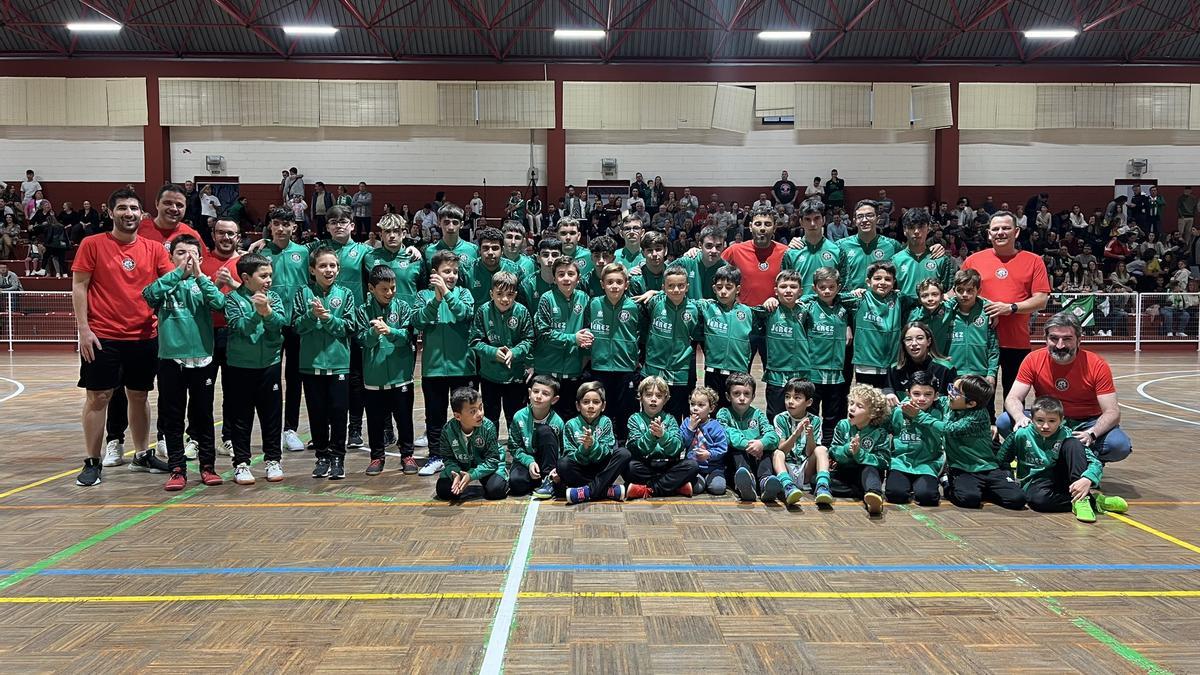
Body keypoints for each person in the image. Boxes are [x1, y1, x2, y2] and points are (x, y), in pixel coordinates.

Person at [73, 188, 174, 487]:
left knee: (139, 394)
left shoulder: (154, 248)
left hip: (144, 334)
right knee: (98, 397)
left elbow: (170, 282)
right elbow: (80, 286)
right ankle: (92, 461)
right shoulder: (92, 244)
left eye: (133, 208)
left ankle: (141, 454)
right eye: (122, 208)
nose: (128, 213)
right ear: (110, 212)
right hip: (103, 335)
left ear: (141, 214)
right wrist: (84, 330)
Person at [998, 312, 1131, 464]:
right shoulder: (1032, 360)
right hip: (1049, 419)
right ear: (1045, 339)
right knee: (1004, 421)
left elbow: (1112, 412)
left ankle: (1084, 461)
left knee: (1119, 445)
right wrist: (1020, 418)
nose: (1060, 345)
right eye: (1054, 338)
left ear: (1079, 340)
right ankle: (1040, 458)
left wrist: (1092, 434)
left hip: (1087, 423)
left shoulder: (1097, 365)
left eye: (1067, 339)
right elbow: (1013, 398)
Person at [962, 211, 1050, 399]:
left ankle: (1013, 427)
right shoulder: (973, 260)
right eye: (995, 229)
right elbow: (959, 293)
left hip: (1016, 341)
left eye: (1006, 228)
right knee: (980, 398)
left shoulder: (1034, 261)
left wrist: (1011, 308)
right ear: (988, 234)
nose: (1000, 232)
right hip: (980, 341)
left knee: (1014, 397)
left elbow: (1041, 299)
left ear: (1016, 232)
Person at [998, 396, 1128, 523]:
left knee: (1073, 444)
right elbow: (1001, 460)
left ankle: (1081, 501)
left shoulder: (1067, 434)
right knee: (1039, 502)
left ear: (1061, 420)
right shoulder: (1021, 434)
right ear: (1031, 419)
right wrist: (1010, 481)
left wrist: (1088, 478)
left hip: (1064, 480)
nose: (1045, 426)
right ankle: (1093, 500)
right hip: (1035, 483)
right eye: (1040, 420)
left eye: (1052, 421)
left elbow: (1095, 462)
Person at [909, 375, 1025, 510]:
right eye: (951, 388)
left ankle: (983, 489)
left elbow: (949, 429)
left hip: (988, 467)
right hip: (962, 469)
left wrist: (918, 415)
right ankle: (947, 481)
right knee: (968, 500)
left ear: (971, 404)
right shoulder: (948, 402)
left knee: (1018, 499)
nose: (950, 393)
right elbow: (924, 398)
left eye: (955, 392)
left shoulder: (977, 416)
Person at [294, 245, 360, 481]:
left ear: (338, 269)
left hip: (339, 364)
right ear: (312, 270)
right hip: (310, 365)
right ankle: (321, 456)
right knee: (317, 413)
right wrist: (312, 316)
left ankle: (338, 458)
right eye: (322, 266)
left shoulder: (346, 295)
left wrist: (329, 318)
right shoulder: (303, 293)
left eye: (332, 265)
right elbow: (297, 326)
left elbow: (350, 327)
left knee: (339, 412)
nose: (328, 270)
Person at [223, 253, 287, 485]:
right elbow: (239, 327)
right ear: (246, 278)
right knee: (241, 417)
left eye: (270, 275)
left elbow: (280, 324)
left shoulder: (274, 298)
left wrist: (267, 312)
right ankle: (241, 463)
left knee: (271, 416)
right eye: (263, 276)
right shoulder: (233, 300)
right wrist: (256, 313)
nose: (268, 280)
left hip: (269, 365)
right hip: (240, 367)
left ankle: (273, 460)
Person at [413, 250, 477, 476]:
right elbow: (418, 320)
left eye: (455, 272)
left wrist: (447, 294)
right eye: (446, 271)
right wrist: (436, 299)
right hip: (433, 367)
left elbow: (464, 314)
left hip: (463, 367)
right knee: (435, 414)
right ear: (434, 273)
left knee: (468, 413)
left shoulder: (465, 293)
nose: (451, 275)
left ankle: (470, 455)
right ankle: (436, 456)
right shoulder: (423, 296)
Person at [357, 264, 416, 476]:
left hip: (401, 377)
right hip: (374, 378)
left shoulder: (403, 308)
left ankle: (407, 455)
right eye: (384, 289)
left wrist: (390, 331)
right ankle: (377, 457)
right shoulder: (363, 311)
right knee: (374, 421)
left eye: (392, 288)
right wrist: (374, 332)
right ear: (371, 289)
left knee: (404, 419)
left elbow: (407, 336)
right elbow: (361, 340)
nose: (390, 293)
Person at [720, 206, 789, 369]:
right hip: (743, 321)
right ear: (750, 226)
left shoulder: (786, 252)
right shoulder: (735, 250)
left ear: (775, 227)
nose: (763, 228)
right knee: (739, 372)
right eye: (758, 224)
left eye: (767, 224)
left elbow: (793, 284)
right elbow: (713, 268)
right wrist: (694, 251)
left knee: (775, 374)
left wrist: (778, 298)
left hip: (775, 320)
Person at [586, 263, 642, 443]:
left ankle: (627, 450)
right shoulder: (594, 304)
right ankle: (604, 448)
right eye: (610, 282)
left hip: (626, 369)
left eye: (619, 281)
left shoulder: (634, 306)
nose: (614, 286)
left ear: (626, 284)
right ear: (602, 284)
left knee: (627, 412)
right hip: (599, 368)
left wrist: (638, 359)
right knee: (604, 412)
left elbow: (644, 334)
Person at [470, 271, 533, 432]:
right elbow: (475, 341)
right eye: (499, 294)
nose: (505, 299)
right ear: (492, 293)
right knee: (490, 417)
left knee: (516, 417)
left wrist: (515, 352)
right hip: (490, 376)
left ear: (516, 295)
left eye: (510, 294)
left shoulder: (522, 312)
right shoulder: (483, 311)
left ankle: (518, 450)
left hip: (515, 377)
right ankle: (490, 449)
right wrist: (493, 352)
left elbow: (529, 340)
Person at [799, 266, 852, 446]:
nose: (827, 291)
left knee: (833, 416)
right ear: (814, 288)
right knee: (811, 416)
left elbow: (861, 296)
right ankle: (808, 450)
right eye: (822, 287)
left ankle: (830, 451)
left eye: (831, 286)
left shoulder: (845, 306)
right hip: (812, 373)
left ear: (838, 287)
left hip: (836, 374)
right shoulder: (808, 306)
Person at [640, 266, 701, 419]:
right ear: (663, 287)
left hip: (679, 368)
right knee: (651, 409)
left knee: (675, 413)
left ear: (687, 287)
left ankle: (675, 442)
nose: (676, 290)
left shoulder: (694, 309)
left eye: (681, 286)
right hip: (654, 366)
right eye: (671, 286)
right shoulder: (654, 302)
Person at [533, 258, 591, 419]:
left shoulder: (584, 299)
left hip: (573, 370)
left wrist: (586, 345)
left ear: (578, 278)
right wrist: (574, 338)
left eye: (571, 274)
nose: (566, 278)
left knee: (570, 416)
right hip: (547, 370)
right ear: (554, 278)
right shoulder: (546, 298)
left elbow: (588, 330)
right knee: (545, 418)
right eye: (561, 274)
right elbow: (544, 333)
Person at [623, 376, 697, 499]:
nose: (653, 399)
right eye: (648, 395)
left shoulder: (670, 419)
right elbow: (635, 449)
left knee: (692, 466)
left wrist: (663, 436)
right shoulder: (634, 419)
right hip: (645, 465)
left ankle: (648, 489)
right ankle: (674, 487)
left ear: (665, 399)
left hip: (667, 465)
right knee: (629, 467)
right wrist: (651, 436)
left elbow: (677, 448)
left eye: (658, 396)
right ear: (640, 397)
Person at [559, 381, 631, 504]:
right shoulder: (570, 424)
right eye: (586, 402)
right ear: (578, 405)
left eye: (596, 402)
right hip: (581, 469)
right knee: (563, 464)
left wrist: (593, 445)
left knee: (624, 453)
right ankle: (605, 490)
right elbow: (569, 454)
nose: (591, 406)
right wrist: (584, 448)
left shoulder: (606, 422)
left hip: (601, 468)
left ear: (603, 406)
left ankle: (587, 492)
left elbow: (607, 451)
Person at [829, 384, 891, 516]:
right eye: (851, 403)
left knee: (869, 470)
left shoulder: (880, 432)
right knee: (816, 479)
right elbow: (833, 451)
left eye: (859, 406)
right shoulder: (842, 425)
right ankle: (861, 491)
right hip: (846, 470)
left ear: (872, 413)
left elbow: (884, 461)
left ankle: (874, 495)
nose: (852, 408)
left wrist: (860, 453)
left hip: (868, 471)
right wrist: (847, 450)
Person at [436, 387, 506, 501]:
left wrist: (472, 475)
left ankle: (502, 478)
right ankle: (462, 481)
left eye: (481, 407)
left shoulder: (488, 427)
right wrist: (455, 473)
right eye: (473, 411)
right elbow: (448, 458)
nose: (480, 414)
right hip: (462, 466)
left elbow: (492, 460)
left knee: (496, 490)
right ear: (458, 416)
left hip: (486, 466)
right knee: (443, 491)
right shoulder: (448, 430)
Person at [699, 266, 754, 410]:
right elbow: (681, 300)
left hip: (737, 373)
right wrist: (658, 292)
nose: (723, 291)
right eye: (719, 287)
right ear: (714, 288)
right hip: (713, 371)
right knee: (713, 409)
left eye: (729, 287)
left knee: (736, 410)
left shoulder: (748, 312)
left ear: (738, 289)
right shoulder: (706, 307)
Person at [772, 378, 834, 506]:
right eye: (787, 397)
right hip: (787, 467)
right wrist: (796, 434)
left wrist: (810, 436)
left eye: (797, 398)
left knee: (821, 449)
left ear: (809, 402)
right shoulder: (780, 418)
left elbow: (811, 452)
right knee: (777, 453)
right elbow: (782, 449)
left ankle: (822, 486)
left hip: (806, 470)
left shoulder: (815, 420)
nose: (790, 401)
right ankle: (788, 486)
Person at [850, 261, 913, 388]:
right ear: (868, 281)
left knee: (889, 402)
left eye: (888, 279)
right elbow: (832, 298)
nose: (882, 282)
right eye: (877, 278)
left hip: (892, 362)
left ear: (894, 282)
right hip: (866, 363)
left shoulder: (900, 298)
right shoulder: (859, 298)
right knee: (866, 403)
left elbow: (920, 302)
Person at [720, 372, 781, 503]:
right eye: (736, 393)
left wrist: (761, 443)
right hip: (734, 463)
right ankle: (746, 483)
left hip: (756, 458)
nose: (742, 398)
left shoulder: (758, 414)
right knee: (736, 451)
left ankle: (765, 482)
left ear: (753, 396)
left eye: (746, 394)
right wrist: (748, 444)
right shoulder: (724, 413)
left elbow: (773, 435)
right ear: (728, 396)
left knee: (767, 450)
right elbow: (726, 432)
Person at [755, 270, 808, 419]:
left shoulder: (806, 311)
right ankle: (775, 442)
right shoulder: (769, 311)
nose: (788, 290)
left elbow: (822, 297)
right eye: (783, 286)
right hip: (776, 373)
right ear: (776, 290)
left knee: (799, 414)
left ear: (801, 291)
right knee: (775, 414)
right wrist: (767, 302)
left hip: (801, 372)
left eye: (793, 286)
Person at [886, 371, 944, 506]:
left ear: (936, 396)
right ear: (908, 394)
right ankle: (907, 485)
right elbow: (885, 428)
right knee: (895, 495)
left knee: (928, 497)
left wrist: (918, 416)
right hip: (900, 463)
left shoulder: (938, 413)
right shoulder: (898, 411)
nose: (921, 398)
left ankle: (937, 481)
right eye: (916, 394)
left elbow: (943, 431)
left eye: (928, 394)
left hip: (927, 465)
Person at [507, 375, 565, 499]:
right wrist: (529, 462)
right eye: (535, 391)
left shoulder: (558, 422)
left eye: (545, 394)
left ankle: (547, 479)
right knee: (516, 484)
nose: (538, 396)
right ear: (529, 393)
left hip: (548, 463)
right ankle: (536, 480)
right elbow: (514, 447)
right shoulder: (519, 417)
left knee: (545, 430)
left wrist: (555, 471)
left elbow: (561, 451)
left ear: (554, 400)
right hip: (527, 459)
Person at [886, 322, 957, 406]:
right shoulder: (895, 369)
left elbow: (955, 398)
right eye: (908, 339)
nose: (914, 343)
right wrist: (888, 393)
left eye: (920, 338)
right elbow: (887, 388)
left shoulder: (946, 369)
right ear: (903, 343)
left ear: (929, 341)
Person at [894, 208, 956, 299]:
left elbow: (950, 291)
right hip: (904, 312)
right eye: (911, 227)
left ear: (928, 228)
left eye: (921, 227)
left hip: (934, 312)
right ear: (904, 230)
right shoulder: (895, 260)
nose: (916, 231)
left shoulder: (941, 259)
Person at [782, 200, 844, 288]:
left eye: (817, 218)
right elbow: (784, 286)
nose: (812, 224)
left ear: (824, 220)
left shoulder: (837, 251)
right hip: (800, 302)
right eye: (807, 219)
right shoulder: (791, 253)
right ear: (801, 222)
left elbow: (844, 286)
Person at [680, 385, 729, 495]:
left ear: (711, 408)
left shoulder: (716, 426)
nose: (695, 408)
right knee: (697, 488)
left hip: (714, 467)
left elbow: (722, 448)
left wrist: (709, 454)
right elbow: (681, 443)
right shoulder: (687, 423)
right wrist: (690, 428)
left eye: (701, 405)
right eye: (692, 404)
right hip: (695, 467)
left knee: (718, 489)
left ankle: (713, 478)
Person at [463, 227, 519, 308]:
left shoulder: (515, 270)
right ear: (479, 250)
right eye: (485, 248)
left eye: (495, 248)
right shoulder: (467, 271)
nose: (490, 252)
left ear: (502, 250)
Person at [425, 202, 480, 267]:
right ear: (439, 223)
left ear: (461, 225)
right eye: (446, 222)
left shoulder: (473, 250)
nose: (451, 227)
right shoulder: (429, 251)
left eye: (455, 222)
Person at [518, 237, 561, 309]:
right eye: (545, 255)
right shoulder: (527, 285)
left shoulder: (568, 282)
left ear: (561, 258)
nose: (550, 260)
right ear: (538, 258)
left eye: (555, 255)